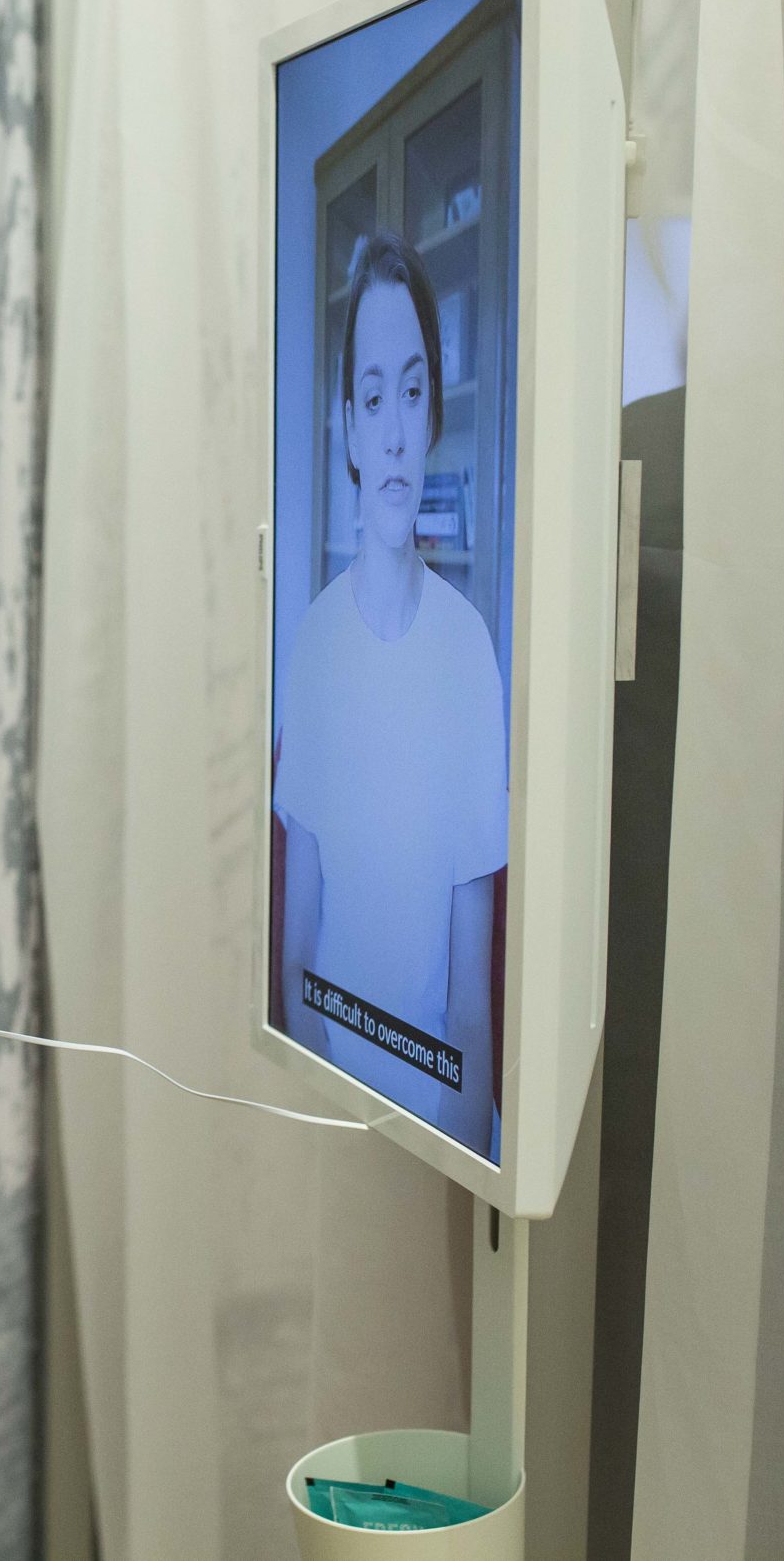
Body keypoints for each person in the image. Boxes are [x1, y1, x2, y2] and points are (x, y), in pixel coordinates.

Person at [273, 230, 507, 1160]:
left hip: (440, 1123)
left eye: (413, 392)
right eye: (374, 399)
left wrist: (446, 1163)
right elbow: (297, 962)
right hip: (331, 1107)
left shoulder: (470, 654)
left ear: (434, 410)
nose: (397, 433)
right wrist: (344, 1135)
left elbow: (472, 1005)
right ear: (349, 429)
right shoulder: (313, 648)